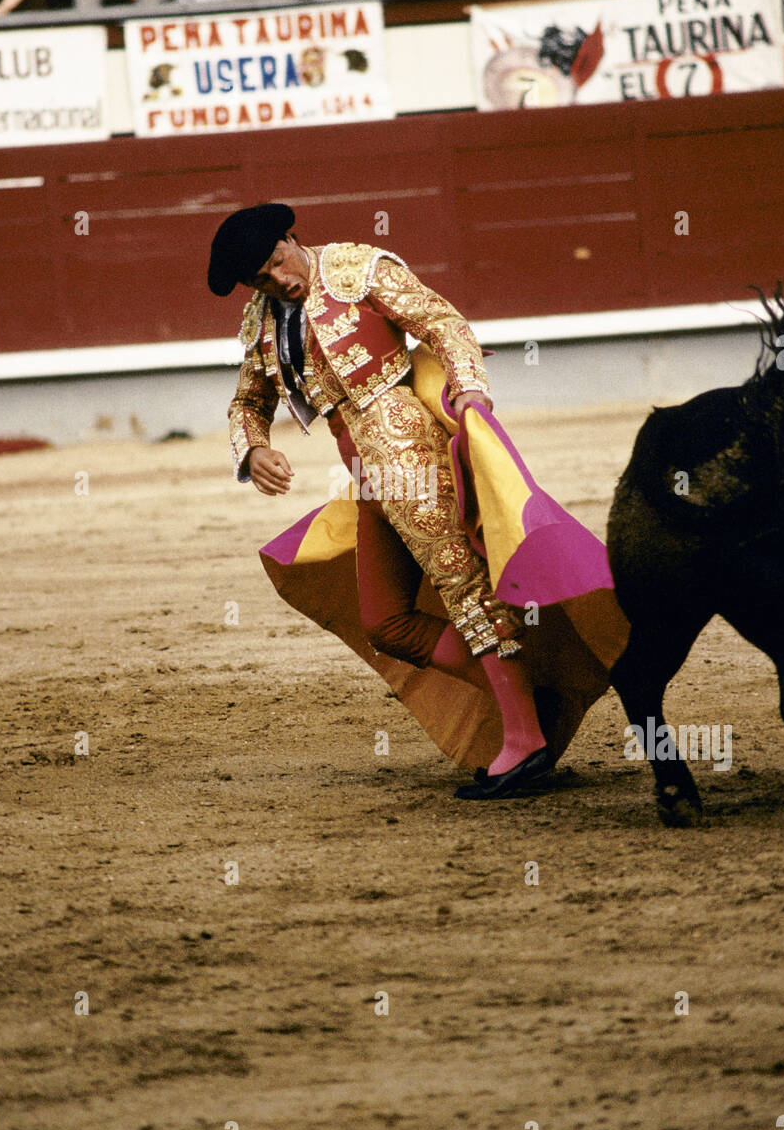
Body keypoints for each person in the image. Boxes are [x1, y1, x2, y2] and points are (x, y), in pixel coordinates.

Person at [215, 204, 624, 799]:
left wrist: (470, 391)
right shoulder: (262, 320)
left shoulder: (356, 267)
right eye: (259, 278)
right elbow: (247, 401)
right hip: (362, 474)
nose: (278, 280)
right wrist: (252, 450)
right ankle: (525, 697)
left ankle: (525, 738)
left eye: (278, 262)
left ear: (291, 238)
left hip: (410, 450)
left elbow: (443, 323)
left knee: (465, 591)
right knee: (387, 621)